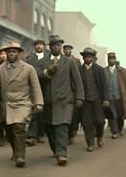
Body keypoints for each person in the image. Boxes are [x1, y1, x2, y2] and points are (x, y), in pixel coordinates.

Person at [0, 41, 43, 168]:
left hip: (22, 103)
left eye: (14, 51)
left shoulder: (28, 68)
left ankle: (20, 156)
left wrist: (38, 103)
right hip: (6, 104)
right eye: (9, 52)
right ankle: (16, 150)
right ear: (6, 54)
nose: (11, 54)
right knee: (9, 132)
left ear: (18, 53)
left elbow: (36, 87)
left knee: (19, 128)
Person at [36, 35, 84, 166]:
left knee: (62, 127)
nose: (56, 47)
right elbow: (36, 77)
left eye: (58, 45)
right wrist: (47, 72)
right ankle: (56, 149)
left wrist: (79, 97)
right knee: (50, 128)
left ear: (61, 46)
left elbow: (77, 80)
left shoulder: (69, 61)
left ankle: (62, 154)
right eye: (53, 45)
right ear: (50, 47)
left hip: (64, 101)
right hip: (48, 101)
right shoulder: (43, 62)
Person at [79, 47, 110, 152]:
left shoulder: (99, 69)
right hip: (85, 100)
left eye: (89, 56)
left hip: (97, 99)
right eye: (86, 56)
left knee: (100, 121)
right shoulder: (79, 70)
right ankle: (90, 143)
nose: (87, 58)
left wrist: (106, 99)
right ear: (83, 58)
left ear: (93, 58)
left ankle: (100, 136)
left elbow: (105, 85)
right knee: (87, 123)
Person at [25, 39, 50, 146]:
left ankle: (41, 133)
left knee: (44, 111)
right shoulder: (30, 59)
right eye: (37, 45)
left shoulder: (48, 58)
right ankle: (32, 135)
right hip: (33, 87)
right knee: (34, 111)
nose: (39, 47)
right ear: (34, 47)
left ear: (44, 46)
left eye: (41, 45)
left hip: (46, 87)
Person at [103, 53, 126, 138]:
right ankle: (114, 132)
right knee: (112, 115)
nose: (111, 60)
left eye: (113, 59)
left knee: (120, 115)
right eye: (110, 59)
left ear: (115, 60)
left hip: (120, 97)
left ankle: (120, 129)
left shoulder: (121, 70)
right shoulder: (104, 71)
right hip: (109, 98)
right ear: (107, 60)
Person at [63, 43, 82, 145]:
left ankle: (71, 133)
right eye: (65, 49)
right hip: (63, 90)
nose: (67, 51)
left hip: (73, 90)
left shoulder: (77, 61)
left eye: (68, 49)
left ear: (71, 50)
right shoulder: (60, 60)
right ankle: (66, 135)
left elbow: (79, 77)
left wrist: (79, 93)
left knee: (72, 114)